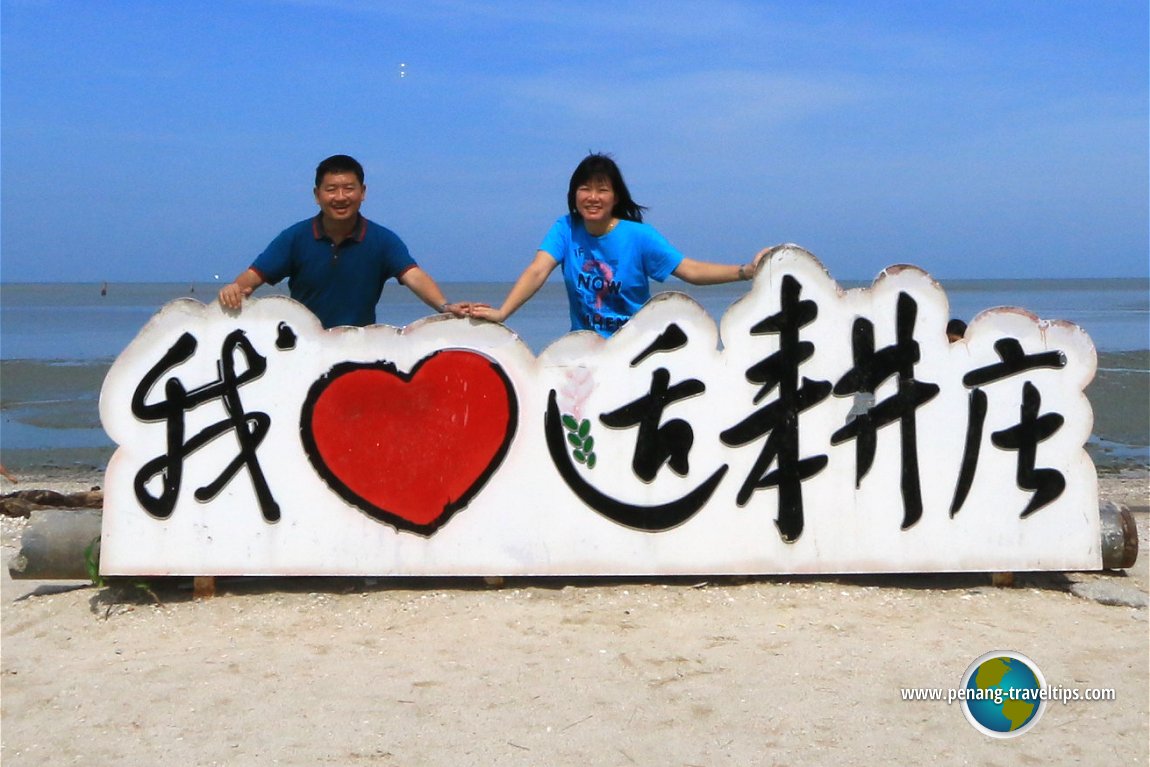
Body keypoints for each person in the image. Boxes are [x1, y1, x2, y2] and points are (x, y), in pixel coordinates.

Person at [466, 153, 770, 337]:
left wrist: (746, 271)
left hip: (636, 350)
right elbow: (537, 270)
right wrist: (503, 312)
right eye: (585, 189)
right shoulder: (566, 228)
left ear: (616, 197)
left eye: (602, 189)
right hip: (586, 350)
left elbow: (689, 269)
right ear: (574, 194)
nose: (593, 197)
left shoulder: (639, 237)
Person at [218, 154, 465, 328]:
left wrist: (446, 306)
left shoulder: (381, 239)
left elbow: (414, 276)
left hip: (358, 347)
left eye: (348, 188)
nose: (340, 197)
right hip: (304, 346)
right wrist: (234, 290)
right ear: (317, 195)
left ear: (363, 193)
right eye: (331, 189)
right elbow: (251, 278)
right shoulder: (295, 237)